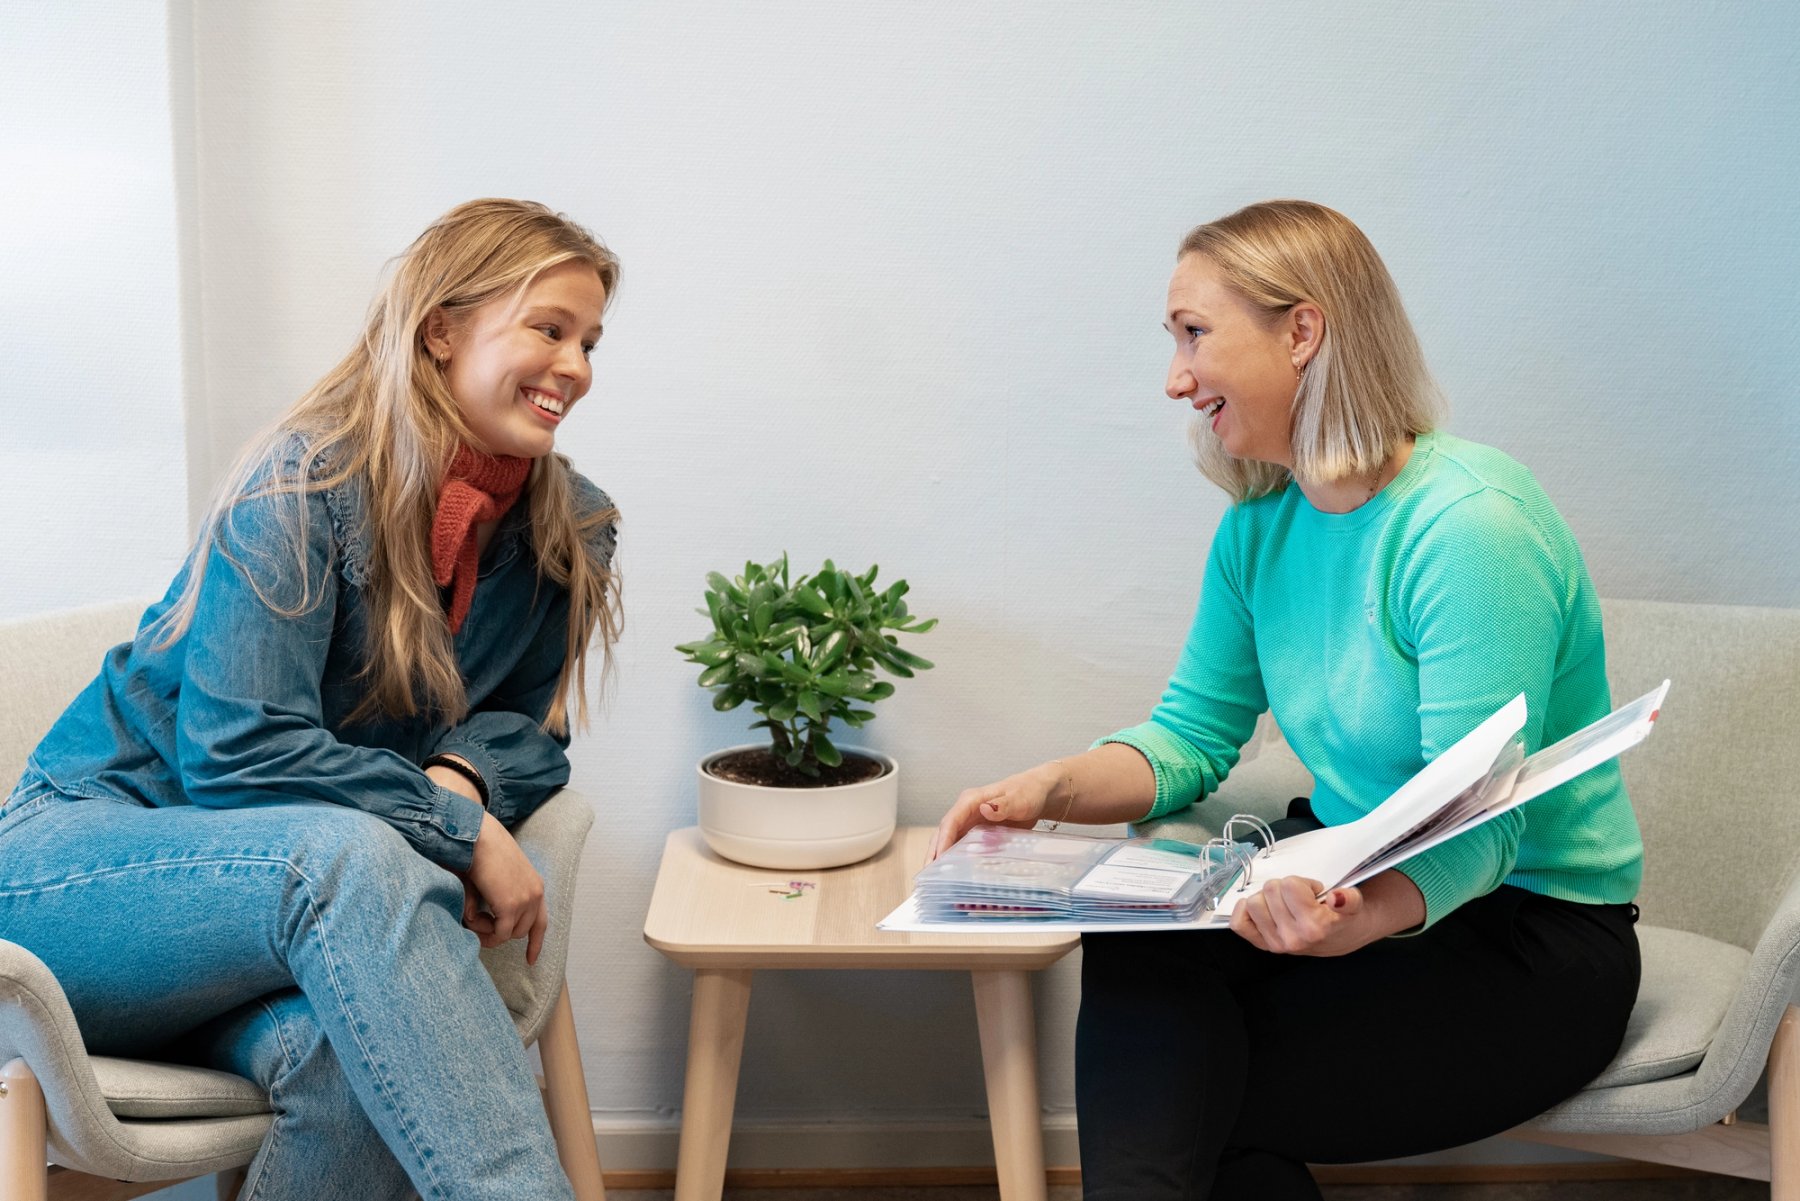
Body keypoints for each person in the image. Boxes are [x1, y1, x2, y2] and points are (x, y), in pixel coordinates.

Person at [930, 200, 1643, 1201]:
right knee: (1141, 955)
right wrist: (1043, 786)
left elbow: (1480, 825)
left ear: (1302, 331)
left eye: (1195, 333)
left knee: (1181, 1093)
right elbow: (1187, 737)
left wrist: (1364, 919)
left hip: (1525, 931)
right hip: (1340, 878)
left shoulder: (1469, 527)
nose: (1175, 377)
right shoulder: (1259, 531)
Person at [0, 198, 623, 1200]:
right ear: (441, 329)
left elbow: (526, 724)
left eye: (591, 341)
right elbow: (240, 750)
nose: (578, 368)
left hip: (267, 932)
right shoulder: (303, 482)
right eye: (549, 328)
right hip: (73, 876)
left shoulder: (563, 524)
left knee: (350, 1064)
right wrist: (451, 829)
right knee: (345, 858)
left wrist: (461, 778)